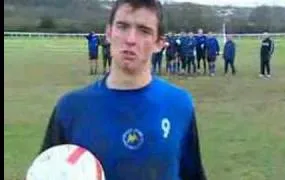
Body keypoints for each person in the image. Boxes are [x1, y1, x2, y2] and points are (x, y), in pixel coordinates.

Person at [39, 0, 207, 180]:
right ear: (109, 33)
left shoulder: (179, 104)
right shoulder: (71, 108)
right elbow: (46, 172)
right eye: (122, 26)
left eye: (144, 31)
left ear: (159, 43)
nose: (130, 39)